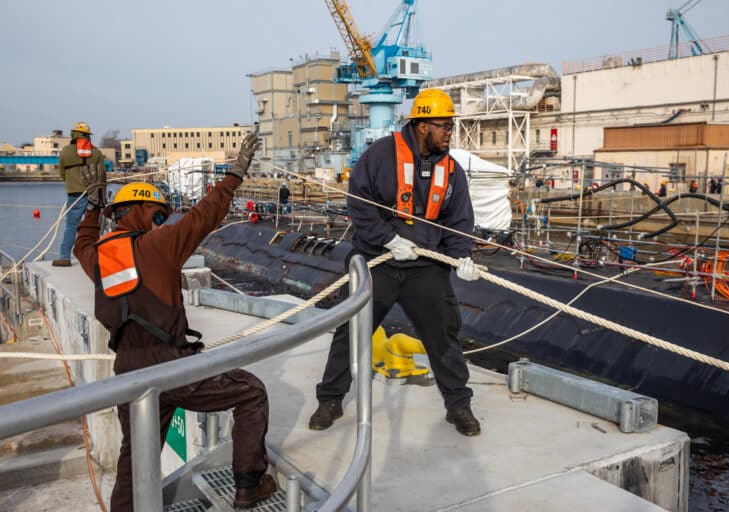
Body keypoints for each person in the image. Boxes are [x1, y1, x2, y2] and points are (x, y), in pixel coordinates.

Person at [73, 134, 276, 511]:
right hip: (172, 366)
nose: (160, 223)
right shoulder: (160, 244)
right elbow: (204, 215)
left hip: (129, 374)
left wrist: (93, 206)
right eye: (157, 215)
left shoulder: (98, 257)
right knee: (251, 392)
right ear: (137, 210)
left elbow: (81, 243)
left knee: (134, 463)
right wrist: (234, 175)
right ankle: (249, 485)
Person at [309, 88, 483, 437]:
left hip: (424, 266)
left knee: (444, 335)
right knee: (351, 331)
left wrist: (461, 255)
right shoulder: (380, 156)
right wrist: (387, 239)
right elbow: (359, 205)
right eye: (444, 125)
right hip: (379, 261)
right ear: (422, 125)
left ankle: (458, 405)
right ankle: (330, 399)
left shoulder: (451, 171)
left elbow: (459, 221)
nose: (450, 132)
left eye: (451, 126)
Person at [52, 121, 105, 267]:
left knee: (71, 226)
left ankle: (64, 257)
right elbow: (102, 175)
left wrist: (72, 183)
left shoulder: (65, 152)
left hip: (74, 194)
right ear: (88, 135)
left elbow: (62, 173)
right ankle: (95, 256)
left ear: (73, 134)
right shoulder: (96, 153)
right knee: (93, 225)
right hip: (94, 194)